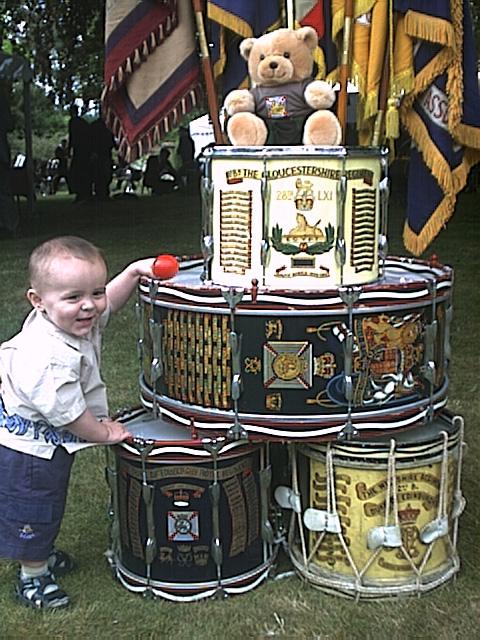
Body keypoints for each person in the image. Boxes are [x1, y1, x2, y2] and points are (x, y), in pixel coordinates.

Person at [0, 236, 155, 609]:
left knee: (47, 503)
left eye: (96, 291)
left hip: (46, 439)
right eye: (74, 298)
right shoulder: (47, 358)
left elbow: (107, 307)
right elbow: (69, 415)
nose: (89, 306)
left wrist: (133, 273)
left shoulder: (69, 319)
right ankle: (33, 577)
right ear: (38, 302)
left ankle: (39, 554)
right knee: (34, 506)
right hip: (29, 449)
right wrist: (105, 432)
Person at [67, 104, 92, 203]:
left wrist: (69, 149)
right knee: (83, 172)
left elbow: (72, 137)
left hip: (79, 150)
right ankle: (84, 193)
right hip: (84, 150)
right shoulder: (84, 123)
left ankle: (81, 193)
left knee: (78, 172)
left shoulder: (73, 122)